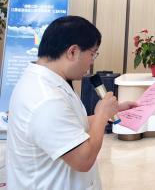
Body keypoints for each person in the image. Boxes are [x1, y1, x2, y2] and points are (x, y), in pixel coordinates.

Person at [7, 16, 136, 190]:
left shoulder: (48, 83)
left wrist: (111, 113)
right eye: (92, 54)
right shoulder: (46, 100)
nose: (92, 62)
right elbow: (84, 159)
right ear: (73, 52)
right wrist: (101, 116)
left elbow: (71, 124)